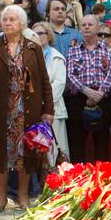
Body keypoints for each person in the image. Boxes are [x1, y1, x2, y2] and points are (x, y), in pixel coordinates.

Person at [0, 5, 54, 211]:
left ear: (21, 24)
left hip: (27, 109)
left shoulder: (32, 48)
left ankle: (23, 196)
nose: (8, 23)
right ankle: (1, 197)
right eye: (5, 20)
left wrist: (48, 110)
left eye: (12, 20)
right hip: (1, 110)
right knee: (0, 154)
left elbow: (44, 81)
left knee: (26, 154)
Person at [65, 15, 111, 163]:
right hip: (78, 100)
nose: (86, 27)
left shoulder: (106, 51)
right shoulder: (73, 51)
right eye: (83, 25)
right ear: (80, 29)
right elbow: (69, 75)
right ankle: (78, 180)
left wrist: (98, 94)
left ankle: (102, 180)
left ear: (98, 28)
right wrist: (86, 91)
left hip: (102, 100)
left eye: (90, 24)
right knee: (77, 145)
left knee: (102, 144)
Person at [30, 22, 69, 167]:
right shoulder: (27, 55)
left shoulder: (56, 57)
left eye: (41, 33)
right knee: (36, 151)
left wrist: (43, 102)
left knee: (55, 152)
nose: (37, 37)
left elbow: (59, 84)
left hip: (53, 110)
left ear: (48, 35)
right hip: (33, 110)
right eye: (34, 34)